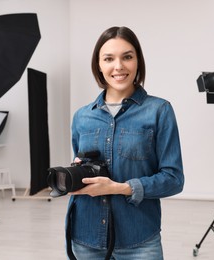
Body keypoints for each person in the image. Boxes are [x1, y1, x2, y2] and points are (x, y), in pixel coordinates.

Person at [66, 26, 184, 260]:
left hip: (138, 240)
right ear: (98, 65)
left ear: (138, 61)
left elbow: (174, 180)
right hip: (85, 236)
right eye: (109, 58)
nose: (118, 66)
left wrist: (120, 188)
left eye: (127, 57)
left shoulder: (159, 111)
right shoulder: (82, 116)